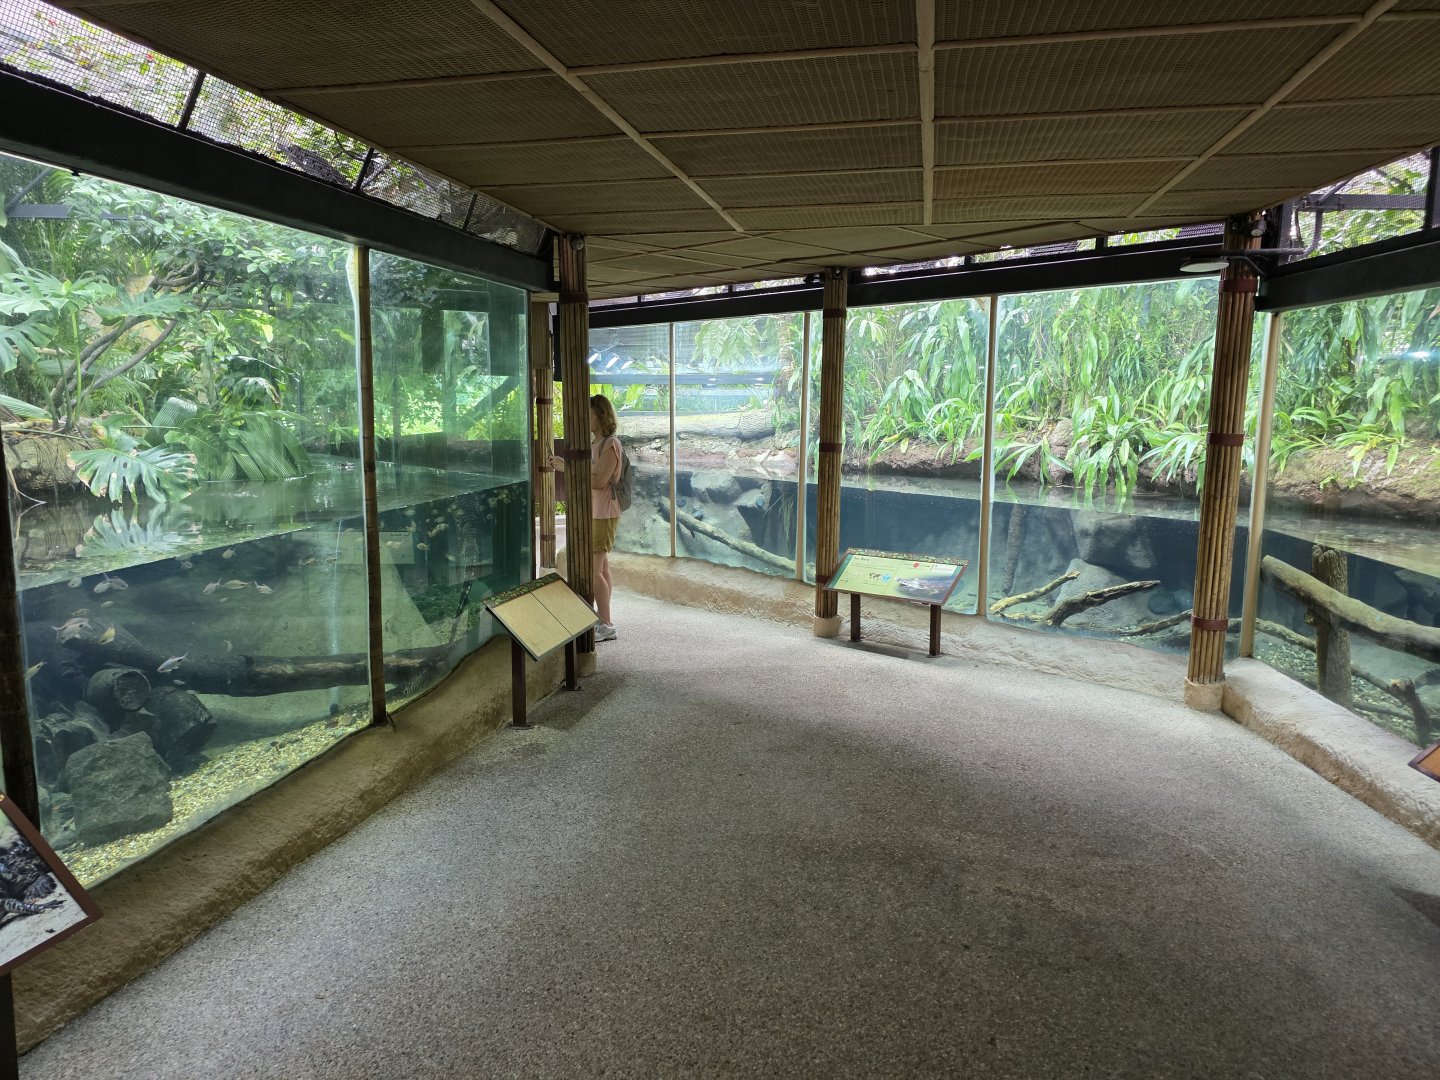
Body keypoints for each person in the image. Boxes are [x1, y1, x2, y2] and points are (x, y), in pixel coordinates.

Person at [553, 394, 623, 641]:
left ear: (601, 416)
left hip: (604, 512)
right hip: (595, 511)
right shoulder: (596, 443)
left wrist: (568, 468)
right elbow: (590, 474)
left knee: (594, 571)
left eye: (590, 415)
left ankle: (606, 624)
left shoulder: (610, 444)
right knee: (602, 568)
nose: (586, 420)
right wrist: (567, 466)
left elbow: (600, 480)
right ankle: (604, 620)